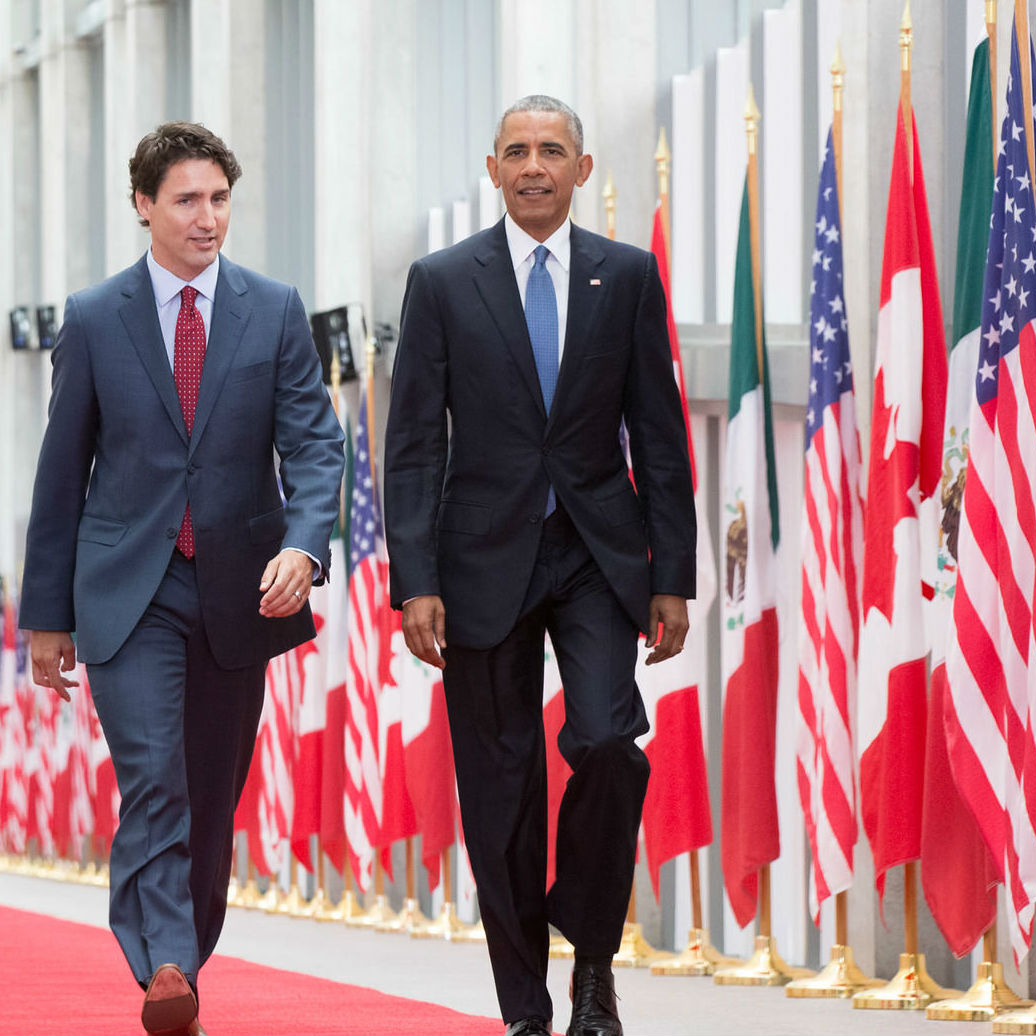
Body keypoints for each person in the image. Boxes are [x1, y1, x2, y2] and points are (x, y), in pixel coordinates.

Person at [19, 122, 344, 1036]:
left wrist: (304, 545)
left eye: (220, 200)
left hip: (243, 589)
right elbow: (61, 473)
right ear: (144, 206)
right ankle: (162, 963)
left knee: (211, 789)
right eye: (189, 200)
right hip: (130, 590)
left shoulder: (274, 309)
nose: (209, 219)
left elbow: (316, 446)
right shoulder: (93, 317)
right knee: (154, 776)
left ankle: (184, 957)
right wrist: (46, 617)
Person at [384, 95, 696, 1036]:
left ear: (583, 170)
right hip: (478, 561)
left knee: (607, 741)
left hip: (597, 553)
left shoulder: (628, 276)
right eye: (516, 151)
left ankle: (591, 962)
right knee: (501, 787)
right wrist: (416, 581)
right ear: (492, 169)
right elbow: (411, 446)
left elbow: (660, 432)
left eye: (551, 151)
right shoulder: (442, 281)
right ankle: (525, 1007)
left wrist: (671, 574)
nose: (533, 166)